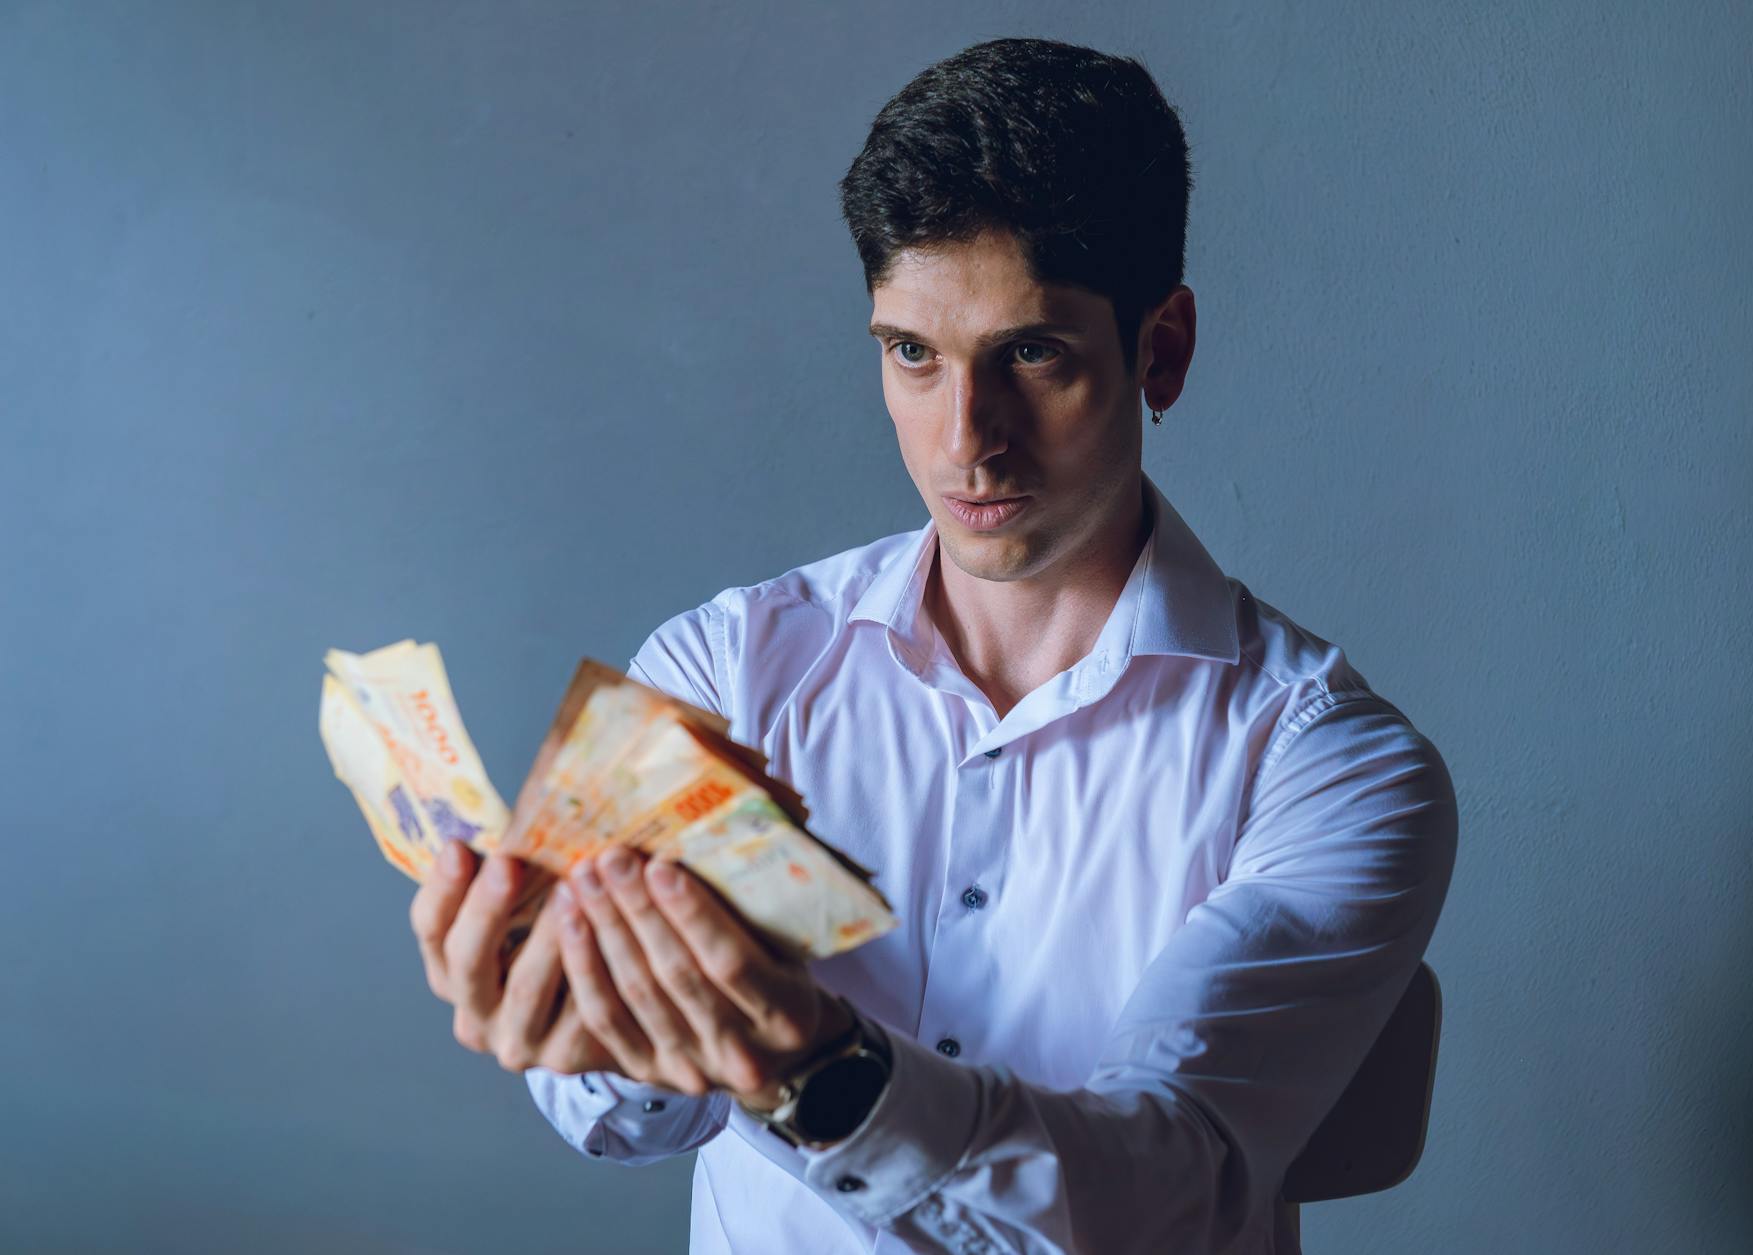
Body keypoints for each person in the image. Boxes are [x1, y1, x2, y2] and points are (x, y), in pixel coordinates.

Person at [407, 36, 1457, 1255]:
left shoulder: (1325, 765)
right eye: (912, 353)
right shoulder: (723, 672)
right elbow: (620, 1121)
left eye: (1030, 354)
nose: (967, 439)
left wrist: (817, 1067)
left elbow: (1166, 1192)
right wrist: (577, 1010)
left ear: (1157, 349)